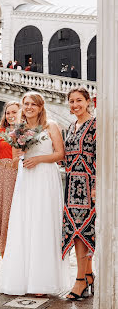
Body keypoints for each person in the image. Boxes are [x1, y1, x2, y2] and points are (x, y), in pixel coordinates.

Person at [0, 91, 70, 295]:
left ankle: (42, 282)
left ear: (40, 107)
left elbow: (60, 154)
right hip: (26, 178)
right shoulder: (18, 130)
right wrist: (20, 156)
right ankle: (22, 279)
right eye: (26, 103)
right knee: (24, 223)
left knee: (43, 224)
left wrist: (38, 159)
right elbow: (14, 159)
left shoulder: (51, 126)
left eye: (33, 104)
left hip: (46, 177)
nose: (29, 107)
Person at [62, 88, 96, 300]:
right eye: (72, 101)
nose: (75, 105)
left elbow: (102, 155)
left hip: (88, 185)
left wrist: (96, 186)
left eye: (79, 101)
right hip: (71, 185)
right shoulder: (70, 126)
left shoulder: (96, 125)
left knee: (84, 232)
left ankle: (80, 280)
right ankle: (88, 274)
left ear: (88, 102)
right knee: (77, 231)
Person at [0, 101, 20, 258]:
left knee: (18, 213)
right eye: (8, 113)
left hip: (22, 174)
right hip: (3, 176)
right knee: (4, 212)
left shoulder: (27, 132)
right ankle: (4, 254)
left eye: (14, 112)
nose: (11, 115)